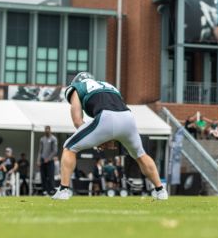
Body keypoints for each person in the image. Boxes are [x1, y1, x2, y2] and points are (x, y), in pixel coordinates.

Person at [51, 72, 167, 200]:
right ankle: (160, 191)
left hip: (106, 117)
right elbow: (116, 110)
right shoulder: (108, 85)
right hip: (128, 117)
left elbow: (78, 121)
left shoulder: (77, 87)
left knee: (69, 147)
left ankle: (64, 190)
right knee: (140, 154)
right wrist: (105, 137)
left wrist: (97, 140)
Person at [37, 125, 59, 195]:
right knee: (43, 176)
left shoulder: (53, 139)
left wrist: (49, 158)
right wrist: (38, 160)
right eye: (45, 129)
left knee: (50, 176)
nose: (46, 131)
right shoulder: (42, 139)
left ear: (50, 130)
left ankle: (52, 190)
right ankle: (44, 191)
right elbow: (40, 151)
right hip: (43, 160)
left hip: (50, 161)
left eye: (48, 129)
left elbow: (55, 151)